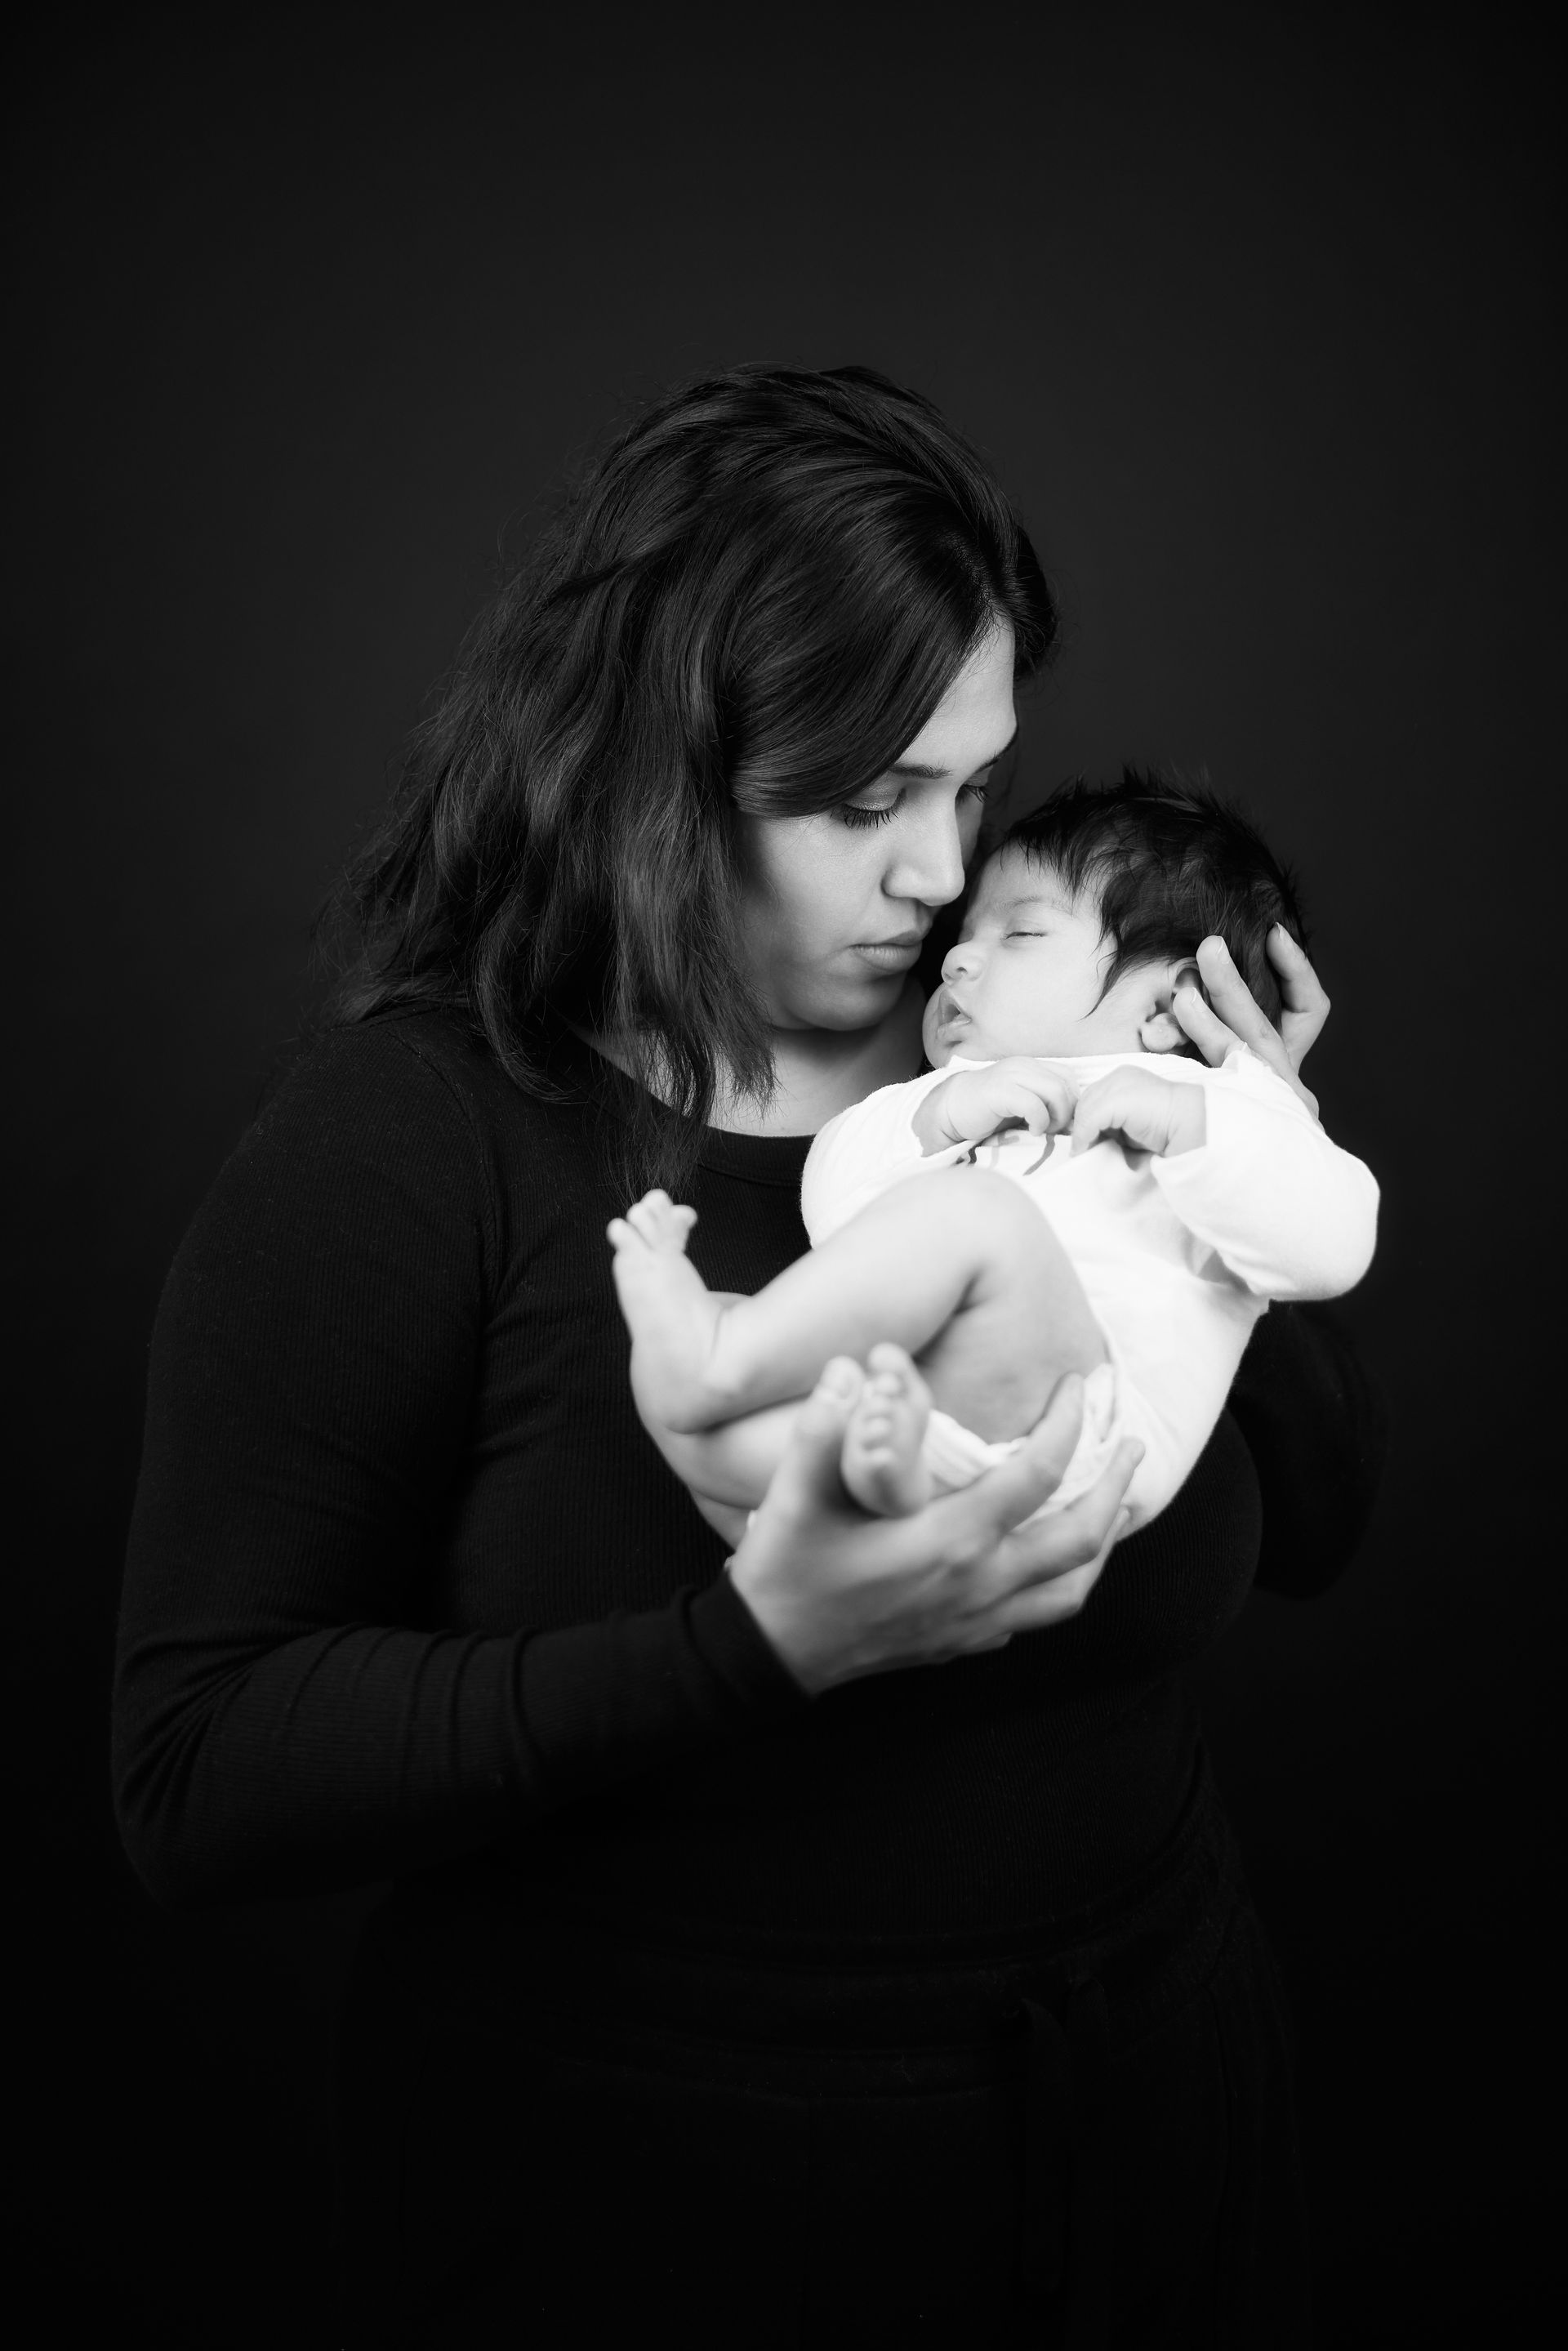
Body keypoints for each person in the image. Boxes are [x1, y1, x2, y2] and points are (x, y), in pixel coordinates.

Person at [112, 364, 1383, 2348]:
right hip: (651, 2207)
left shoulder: (1028, 1049)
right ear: (651, 773)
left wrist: (1235, 1177)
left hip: (1148, 2131)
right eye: (864, 802)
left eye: (972, 787)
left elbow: (1311, 1526)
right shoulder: (414, 1141)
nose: (944, 878)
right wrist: (757, 1650)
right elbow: (196, 1772)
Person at [608, 773, 1379, 1540]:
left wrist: (1210, 1122)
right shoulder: (964, 1097)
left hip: (1092, 1425)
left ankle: (722, 1359)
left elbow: (1333, 1248)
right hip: (935, 1416)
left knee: (977, 1219)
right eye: (966, 934)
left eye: (1019, 935)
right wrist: (932, 1121)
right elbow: (838, 1213)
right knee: (731, 1436)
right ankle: (740, 1455)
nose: (956, 960)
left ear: (1163, 1008)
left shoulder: (1227, 1107)